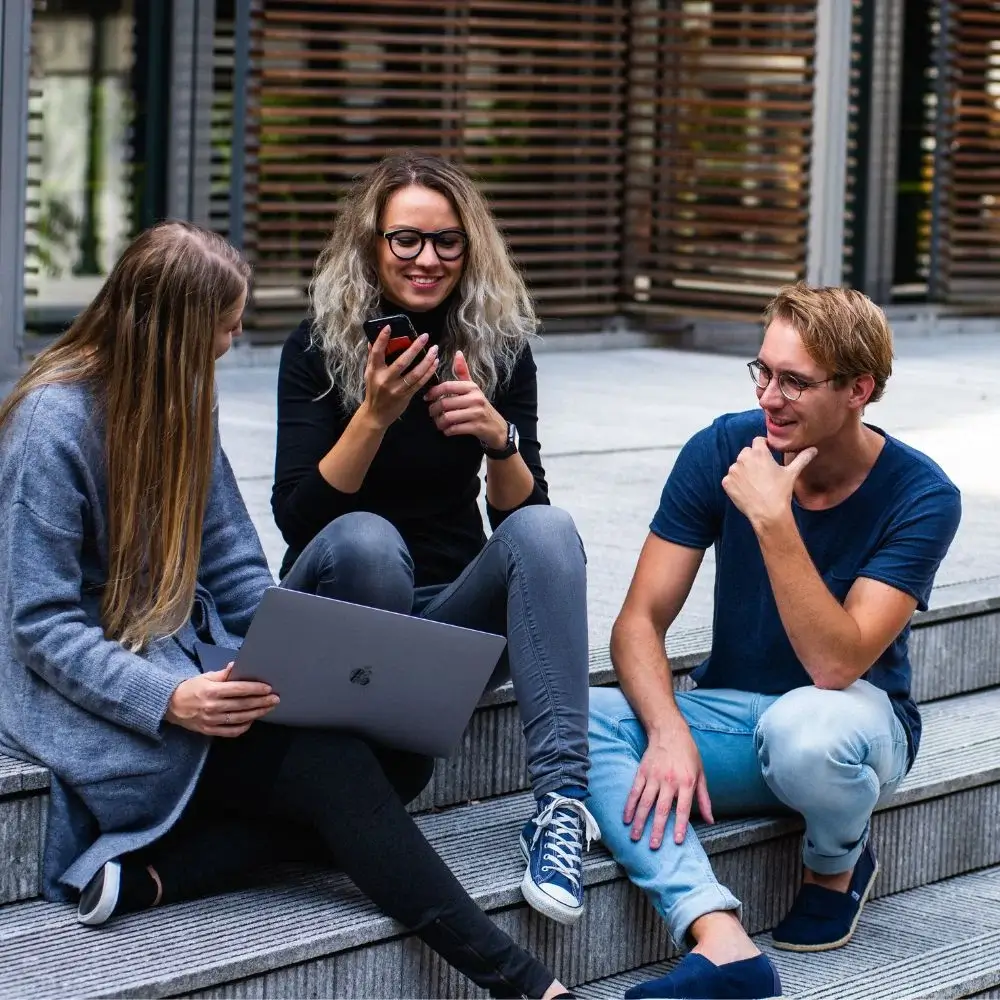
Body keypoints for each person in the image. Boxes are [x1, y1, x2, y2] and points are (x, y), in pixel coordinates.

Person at [0, 221, 574, 1000]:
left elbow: (237, 571)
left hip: (191, 666)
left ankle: (160, 874)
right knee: (334, 767)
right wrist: (170, 697)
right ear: (172, 331)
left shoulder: (180, 407)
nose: (231, 345)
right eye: (224, 329)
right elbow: (39, 625)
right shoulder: (51, 426)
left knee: (395, 757)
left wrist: (278, 661)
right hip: (97, 693)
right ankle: (529, 984)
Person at [586, 284, 961, 999]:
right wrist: (666, 730)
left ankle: (836, 859)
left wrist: (773, 519)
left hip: (850, 724)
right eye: (762, 371)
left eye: (794, 381)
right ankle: (717, 938)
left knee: (806, 729)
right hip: (730, 716)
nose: (770, 396)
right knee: (579, 716)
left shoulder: (923, 495)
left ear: (859, 389)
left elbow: (837, 662)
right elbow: (638, 621)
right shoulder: (722, 447)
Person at [271, 152, 598, 925]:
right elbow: (299, 519)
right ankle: (361, 774)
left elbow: (524, 525)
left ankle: (559, 809)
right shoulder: (316, 347)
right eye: (406, 240)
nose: (427, 259)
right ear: (372, 244)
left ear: (471, 247)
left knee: (549, 531)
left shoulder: (499, 347)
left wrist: (499, 439)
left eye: (447, 242)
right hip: (342, 611)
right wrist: (374, 415)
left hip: (446, 626)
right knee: (368, 542)